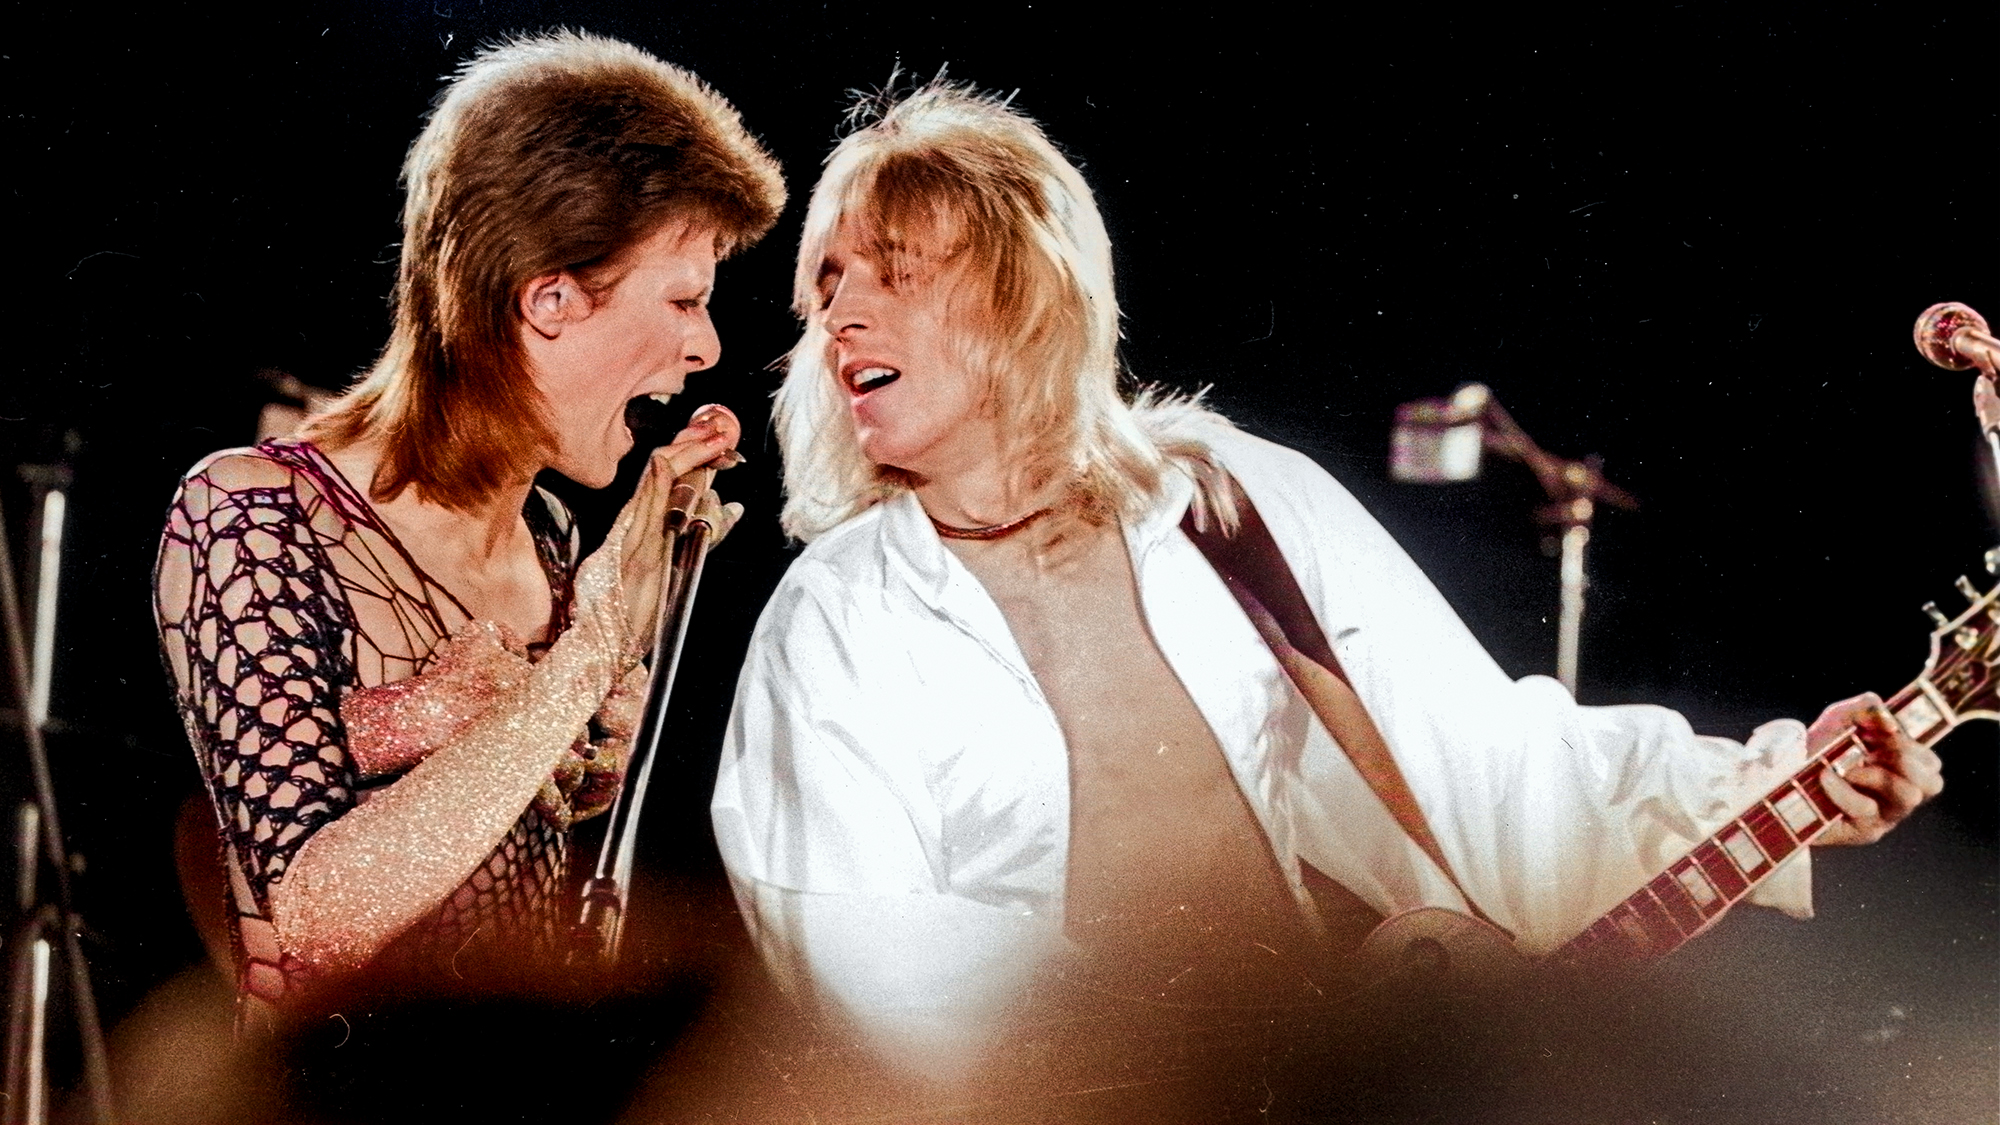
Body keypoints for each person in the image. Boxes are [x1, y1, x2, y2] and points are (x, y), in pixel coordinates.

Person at [709, 83, 1944, 1096]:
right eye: (824, 286)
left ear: (1026, 289)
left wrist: (1777, 783)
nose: (839, 317)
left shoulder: (1230, 502)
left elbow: (1494, 761)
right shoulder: (832, 624)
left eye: (893, 272)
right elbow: (855, 948)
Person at [153, 30, 784, 1030]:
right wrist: (580, 665)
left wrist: (571, 766)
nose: (704, 346)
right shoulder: (252, 511)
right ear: (548, 302)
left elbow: (485, 859)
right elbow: (314, 922)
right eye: (683, 299)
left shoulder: (553, 539)